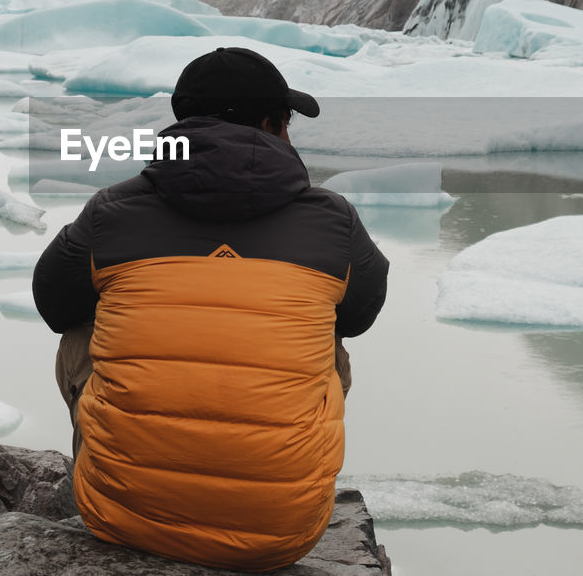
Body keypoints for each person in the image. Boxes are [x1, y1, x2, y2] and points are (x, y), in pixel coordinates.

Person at [32, 46, 388, 571]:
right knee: (326, 338)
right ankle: (267, 481)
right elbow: (359, 316)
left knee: (84, 327)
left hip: (119, 517)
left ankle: (135, 470)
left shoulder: (113, 210)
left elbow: (53, 303)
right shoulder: (333, 220)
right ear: (270, 125)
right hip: (281, 536)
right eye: (287, 122)